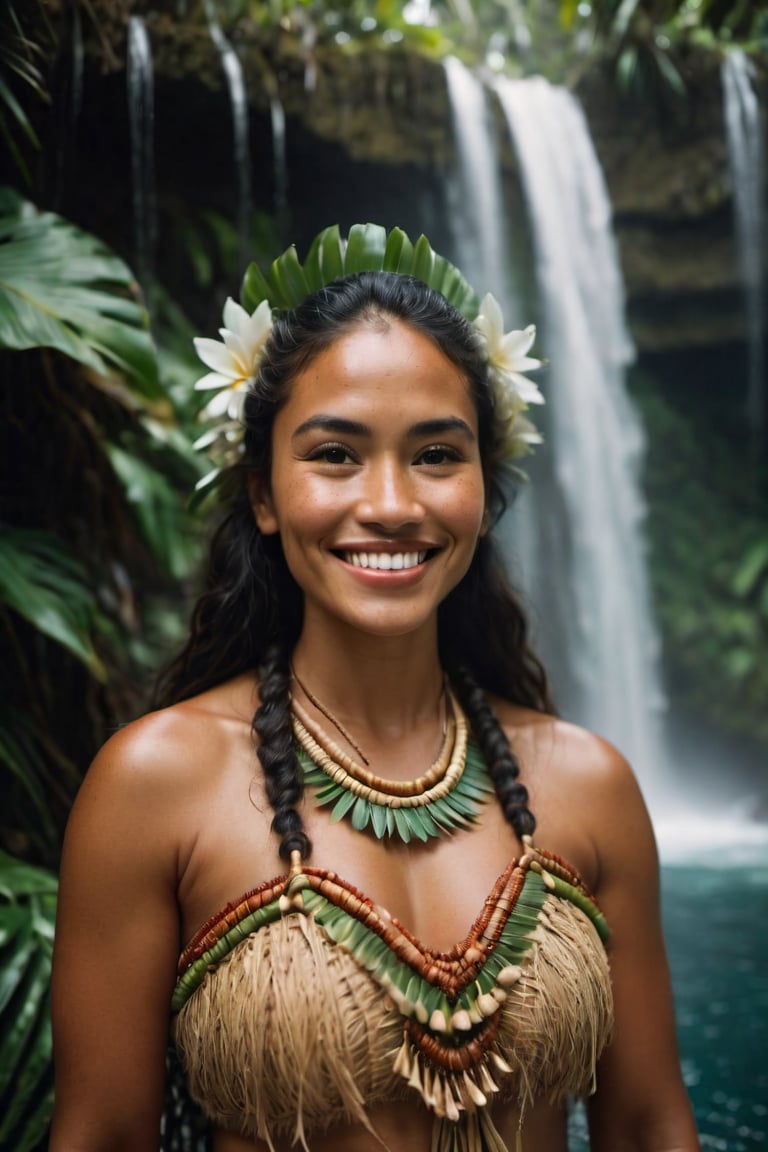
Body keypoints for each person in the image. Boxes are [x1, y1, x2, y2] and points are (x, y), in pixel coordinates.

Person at [50, 224, 700, 1152]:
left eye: (437, 455)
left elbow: (648, 1126)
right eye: (335, 455)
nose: (392, 503)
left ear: (485, 487)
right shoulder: (157, 786)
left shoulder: (588, 787)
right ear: (264, 494)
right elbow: (103, 1138)